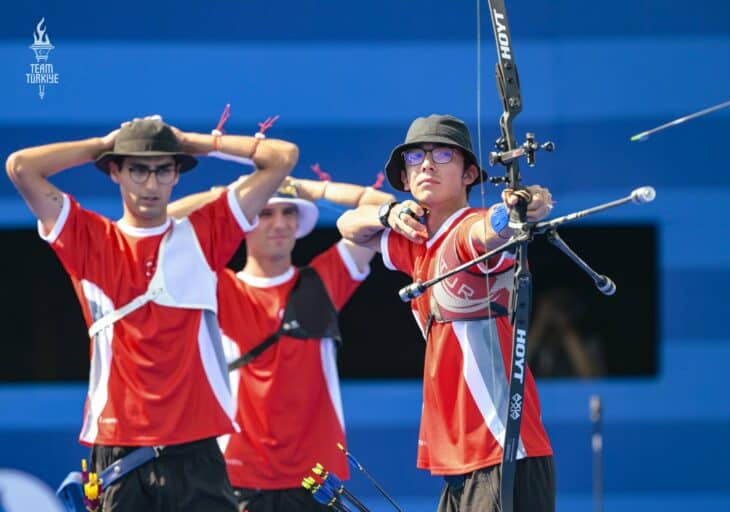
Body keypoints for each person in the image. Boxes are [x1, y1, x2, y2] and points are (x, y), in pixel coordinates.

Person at [5, 117, 299, 511]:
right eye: (138, 169)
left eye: (164, 170)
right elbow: (20, 166)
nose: (151, 184)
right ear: (116, 172)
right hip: (121, 453)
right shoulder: (88, 238)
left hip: (197, 450)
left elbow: (282, 157)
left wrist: (191, 142)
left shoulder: (205, 232)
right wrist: (104, 143)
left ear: (177, 174)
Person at [337, 114, 556, 511]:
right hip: (464, 456)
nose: (426, 164)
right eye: (415, 157)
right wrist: (388, 214)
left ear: (470, 173)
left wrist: (516, 210)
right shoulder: (419, 243)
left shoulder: (466, 230)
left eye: (442, 154)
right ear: (404, 179)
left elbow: (489, 231)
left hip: (502, 449)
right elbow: (348, 225)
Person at [168, 175, 395, 512]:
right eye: (264, 213)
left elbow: (384, 208)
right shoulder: (218, 287)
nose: (279, 223)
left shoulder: (324, 280)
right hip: (238, 475)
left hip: (318, 480)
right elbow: (163, 230)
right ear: (243, 221)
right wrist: (230, 196)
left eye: (289, 212)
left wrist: (317, 190)